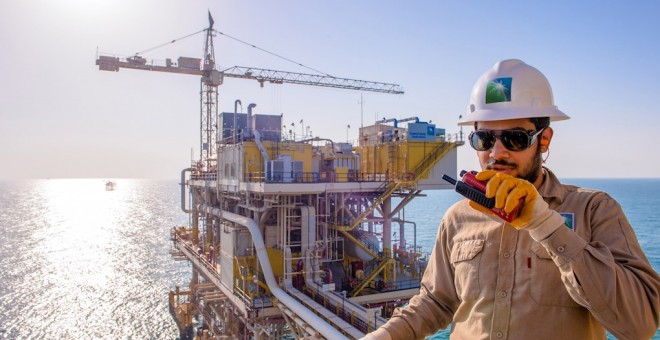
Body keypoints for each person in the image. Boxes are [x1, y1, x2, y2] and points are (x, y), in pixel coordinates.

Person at [363, 59, 659, 339]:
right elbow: (436, 301)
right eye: (485, 139)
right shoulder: (457, 217)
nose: (497, 153)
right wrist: (386, 334)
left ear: (544, 140)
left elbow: (640, 323)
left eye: (515, 138)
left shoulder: (593, 210)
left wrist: (547, 226)